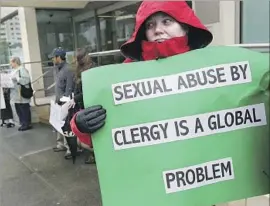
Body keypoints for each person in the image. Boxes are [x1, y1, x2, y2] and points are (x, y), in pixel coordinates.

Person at [70, 1, 213, 144]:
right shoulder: (127, 72)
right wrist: (81, 126)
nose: (158, 30)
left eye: (167, 21)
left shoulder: (210, 67)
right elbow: (111, 136)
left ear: (185, 27)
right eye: (150, 25)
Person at [62, 48, 97, 163]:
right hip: (82, 103)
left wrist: (75, 98)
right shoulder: (80, 69)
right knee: (85, 133)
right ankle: (93, 153)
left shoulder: (92, 69)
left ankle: (94, 153)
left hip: (90, 102)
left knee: (90, 132)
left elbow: (89, 90)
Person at [49, 47, 75, 159]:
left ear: (59, 57)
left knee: (66, 126)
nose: (52, 59)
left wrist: (64, 102)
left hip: (65, 102)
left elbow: (69, 88)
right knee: (58, 123)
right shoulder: (57, 69)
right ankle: (61, 145)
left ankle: (69, 148)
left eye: (53, 57)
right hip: (58, 100)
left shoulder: (68, 69)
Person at [10, 57, 32, 131]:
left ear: (15, 62)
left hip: (22, 93)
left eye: (11, 62)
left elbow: (26, 80)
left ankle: (26, 124)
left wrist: (18, 79)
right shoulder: (14, 70)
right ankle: (23, 123)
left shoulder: (22, 69)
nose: (11, 64)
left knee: (24, 109)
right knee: (19, 109)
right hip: (16, 94)